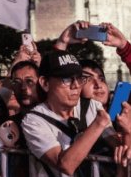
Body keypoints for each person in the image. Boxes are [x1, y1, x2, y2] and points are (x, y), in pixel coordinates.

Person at [22, 47, 130, 176]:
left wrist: (127, 132)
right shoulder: (33, 121)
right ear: (45, 83)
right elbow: (65, 165)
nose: (75, 85)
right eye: (66, 79)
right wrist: (98, 124)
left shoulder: (92, 107)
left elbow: (120, 150)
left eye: (79, 78)